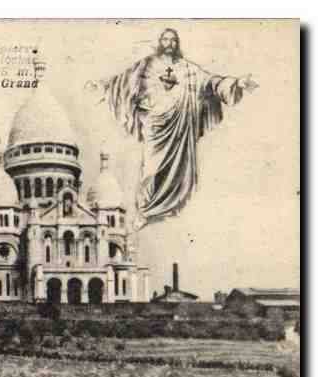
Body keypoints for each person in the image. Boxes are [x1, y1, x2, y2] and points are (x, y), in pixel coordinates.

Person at [87, 28, 259, 228]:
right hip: (154, 125)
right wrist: (103, 86)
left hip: (179, 127)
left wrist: (237, 83)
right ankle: (146, 209)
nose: (169, 44)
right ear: (160, 42)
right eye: (165, 40)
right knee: (150, 170)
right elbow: (124, 79)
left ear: (177, 44)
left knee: (180, 170)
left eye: (173, 40)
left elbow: (211, 81)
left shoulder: (188, 69)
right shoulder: (148, 64)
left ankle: (170, 205)